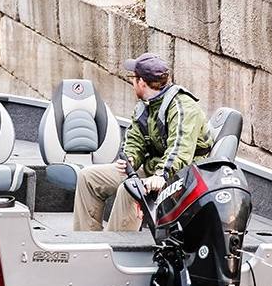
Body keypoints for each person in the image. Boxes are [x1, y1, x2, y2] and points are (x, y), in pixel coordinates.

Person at [73, 53, 212, 232]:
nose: (132, 83)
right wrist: (131, 159)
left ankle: (118, 249)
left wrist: (161, 175)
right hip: (152, 168)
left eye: (133, 78)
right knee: (88, 177)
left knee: (129, 189)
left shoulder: (183, 107)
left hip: (183, 175)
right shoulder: (145, 105)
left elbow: (180, 150)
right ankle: (87, 243)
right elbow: (134, 139)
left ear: (141, 82)